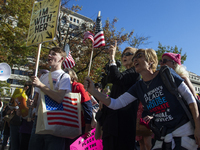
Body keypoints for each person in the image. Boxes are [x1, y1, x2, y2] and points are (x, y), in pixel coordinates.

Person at [84, 48, 200, 149]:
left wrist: (198, 127)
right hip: (163, 136)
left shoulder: (166, 74)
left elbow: (191, 99)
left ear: (151, 62)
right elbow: (116, 103)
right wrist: (93, 91)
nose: (135, 59)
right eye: (134, 57)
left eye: (139, 56)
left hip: (184, 133)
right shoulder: (138, 87)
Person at [98, 40, 140, 150]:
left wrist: (112, 58)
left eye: (128, 54)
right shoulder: (124, 74)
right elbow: (115, 78)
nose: (124, 56)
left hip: (123, 125)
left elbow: (117, 78)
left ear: (136, 58)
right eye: (123, 55)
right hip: (112, 124)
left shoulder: (135, 73)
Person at [28, 47, 71, 150]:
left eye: (53, 54)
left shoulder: (64, 77)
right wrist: (32, 103)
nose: (49, 55)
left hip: (55, 121)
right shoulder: (43, 76)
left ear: (61, 59)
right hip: (39, 120)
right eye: (49, 53)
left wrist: (40, 85)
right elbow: (37, 100)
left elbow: (59, 98)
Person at [64, 68, 93, 150]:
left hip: (79, 126)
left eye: (67, 74)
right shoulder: (60, 89)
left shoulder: (78, 87)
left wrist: (88, 127)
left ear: (72, 77)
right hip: (65, 125)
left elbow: (87, 106)